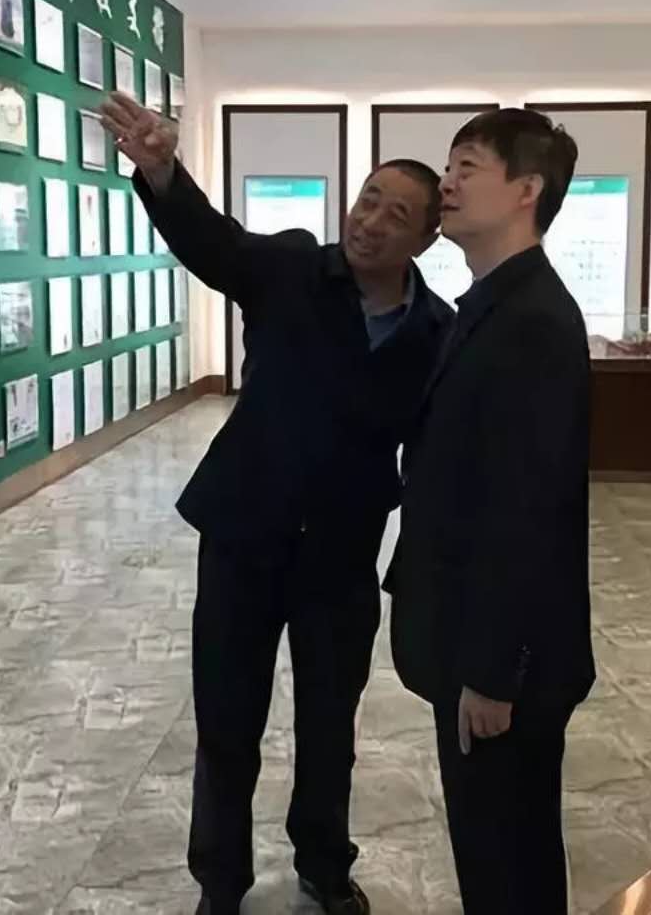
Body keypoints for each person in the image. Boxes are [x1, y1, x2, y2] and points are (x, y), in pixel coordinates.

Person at [99, 91, 453, 915]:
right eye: (368, 198)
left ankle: (324, 865)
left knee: (330, 728)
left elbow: (436, 457)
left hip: (340, 556)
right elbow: (214, 244)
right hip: (243, 537)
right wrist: (162, 172)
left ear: (426, 239)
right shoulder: (294, 266)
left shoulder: (435, 332)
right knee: (227, 724)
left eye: (397, 214)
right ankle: (220, 882)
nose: (371, 221)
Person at [384, 108, 595, 914]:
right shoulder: (490, 304)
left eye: (467, 166)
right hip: (474, 636)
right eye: (449, 166)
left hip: (505, 662)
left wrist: (492, 671)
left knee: (506, 855)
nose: (447, 183)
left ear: (526, 189)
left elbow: (526, 510)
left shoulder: (533, 320)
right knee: (496, 846)